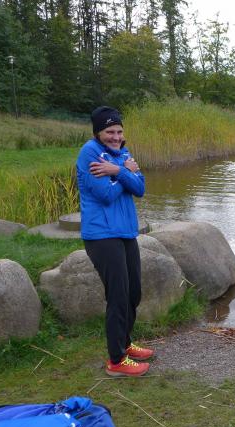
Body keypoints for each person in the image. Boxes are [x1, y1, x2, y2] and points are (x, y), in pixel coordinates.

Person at [76, 106, 154, 377]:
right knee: (118, 295)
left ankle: (125, 343)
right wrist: (124, 171)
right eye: (110, 131)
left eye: (119, 131)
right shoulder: (89, 153)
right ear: (98, 132)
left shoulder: (123, 152)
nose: (116, 137)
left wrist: (116, 170)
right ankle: (116, 360)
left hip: (125, 232)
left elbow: (140, 188)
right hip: (102, 235)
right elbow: (106, 195)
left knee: (133, 293)